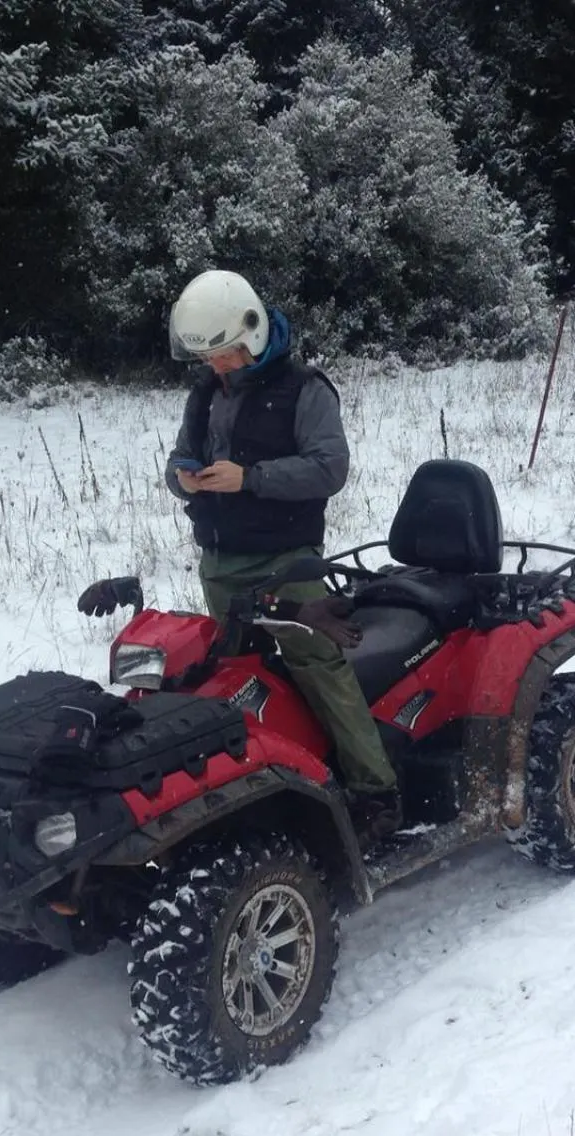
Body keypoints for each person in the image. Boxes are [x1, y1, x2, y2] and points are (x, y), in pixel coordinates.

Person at [162, 267, 401, 843]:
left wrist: (251, 478)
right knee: (233, 679)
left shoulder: (305, 389)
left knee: (317, 667)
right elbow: (179, 459)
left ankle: (376, 792)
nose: (215, 367)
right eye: (208, 358)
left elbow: (329, 467)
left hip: (287, 560)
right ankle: (255, 789)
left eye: (223, 355)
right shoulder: (204, 393)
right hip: (220, 563)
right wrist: (183, 480)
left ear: (252, 334)